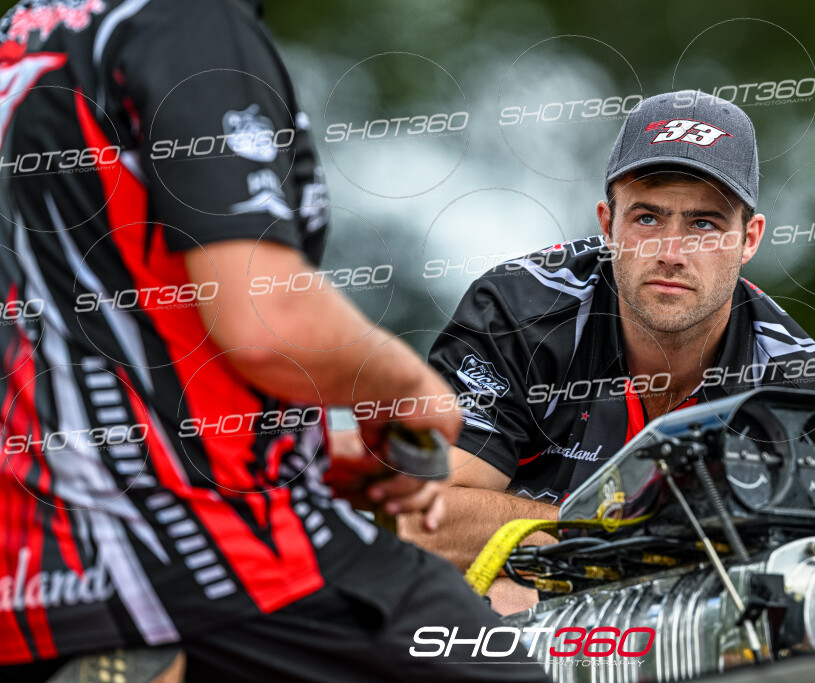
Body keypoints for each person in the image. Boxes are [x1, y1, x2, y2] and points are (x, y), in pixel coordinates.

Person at [0, 1, 550, 681]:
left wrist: (317, 444)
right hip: (197, 541)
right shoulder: (188, 22)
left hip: (32, 563)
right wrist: (408, 389)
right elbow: (265, 320)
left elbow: (101, 315)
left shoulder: (28, 35)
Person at [410, 90, 815, 613]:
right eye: (647, 219)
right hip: (517, 606)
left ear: (748, 239)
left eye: (704, 224)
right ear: (607, 224)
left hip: (701, 625)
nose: (671, 252)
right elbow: (424, 521)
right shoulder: (517, 314)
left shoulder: (797, 383)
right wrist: (635, 537)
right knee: (512, 595)